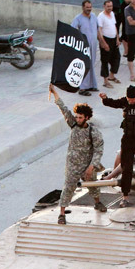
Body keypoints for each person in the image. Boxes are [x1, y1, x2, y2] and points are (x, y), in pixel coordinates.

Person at [49, 84, 106, 225]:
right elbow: (63, 108)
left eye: (80, 117)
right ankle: (62, 214)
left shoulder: (93, 132)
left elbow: (99, 149)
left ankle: (97, 203)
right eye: (77, 117)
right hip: (73, 165)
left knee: (93, 186)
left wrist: (92, 166)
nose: (78, 119)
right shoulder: (73, 124)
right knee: (68, 187)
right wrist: (54, 92)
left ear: (87, 117)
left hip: (87, 165)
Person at [72, 0, 99, 96]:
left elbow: (98, 30)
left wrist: (103, 42)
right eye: (87, 7)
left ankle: (91, 85)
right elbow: (73, 31)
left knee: (91, 64)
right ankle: (82, 88)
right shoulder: (78, 18)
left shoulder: (94, 17)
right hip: (83, 46)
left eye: (90, 7)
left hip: (93, 45)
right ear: (83, 7)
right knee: (84, 66)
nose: (89, 9)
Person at [98, 0, 121, 88]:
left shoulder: (112, 14)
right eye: (108, 6)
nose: (110, 8)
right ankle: (105, 81)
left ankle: (112, 76)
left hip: (114, 39)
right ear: (104, 6)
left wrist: (117, 38)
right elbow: (99, 30)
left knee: (116, 58)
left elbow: (115, 26)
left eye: (111, 6)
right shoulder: (101, 16)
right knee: (105, 60)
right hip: (106, 39)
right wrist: (103, 43)